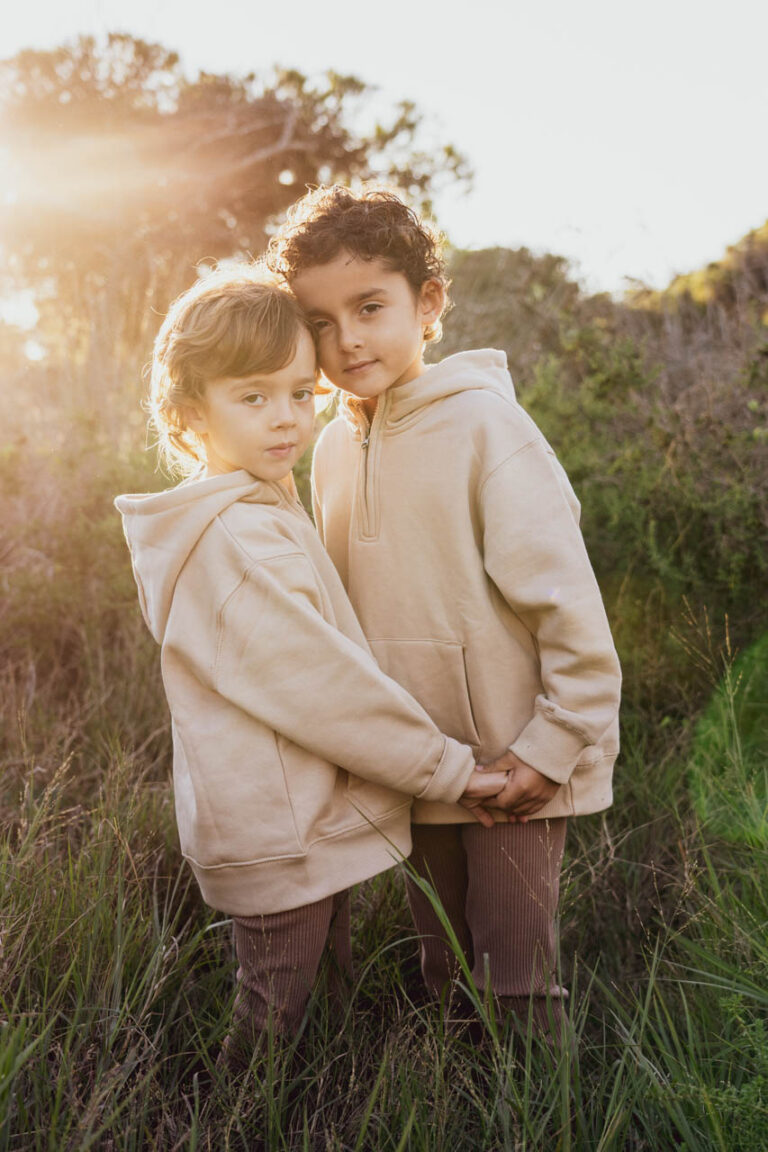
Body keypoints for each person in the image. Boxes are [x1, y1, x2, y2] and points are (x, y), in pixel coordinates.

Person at [114, 265, 507, 1068]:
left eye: (300, 392)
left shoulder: (262, 506)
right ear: (191, 416)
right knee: (271, 1018)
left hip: (303, 817)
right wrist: (446, 770)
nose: (286, 419)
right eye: (252, 398)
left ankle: (321, 1111)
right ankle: (228, 1119)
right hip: (274, 826)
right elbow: (323, 688)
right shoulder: (233, 539)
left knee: (326, 1000)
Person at [267, 187, 622, 1042]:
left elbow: (566, 602)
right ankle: (463, 1111)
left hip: (518, 762)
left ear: (427, 305)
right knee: (444, 973)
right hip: (423, 766)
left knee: (517, 983)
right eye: (319, 322)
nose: (346, 339)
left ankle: (542, 1116)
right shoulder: (330, 449)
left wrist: (552, 744)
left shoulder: (486, 428)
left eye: (370, 307)